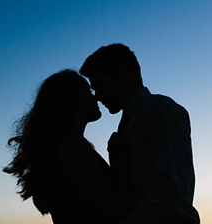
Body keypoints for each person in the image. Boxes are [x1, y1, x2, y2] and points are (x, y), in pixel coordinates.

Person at [80, 44, 200, 224]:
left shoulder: (161, 110)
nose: (97, 96)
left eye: (101, 86)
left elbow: (171, 184)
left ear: (123, 75)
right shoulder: (130, 121)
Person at [3, 69, 126, 224]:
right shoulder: (72, 146)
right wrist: (120, 161)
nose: (95, 97)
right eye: (88, 91)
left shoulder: (62, 147)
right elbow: (110, 213)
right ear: (73, 99)